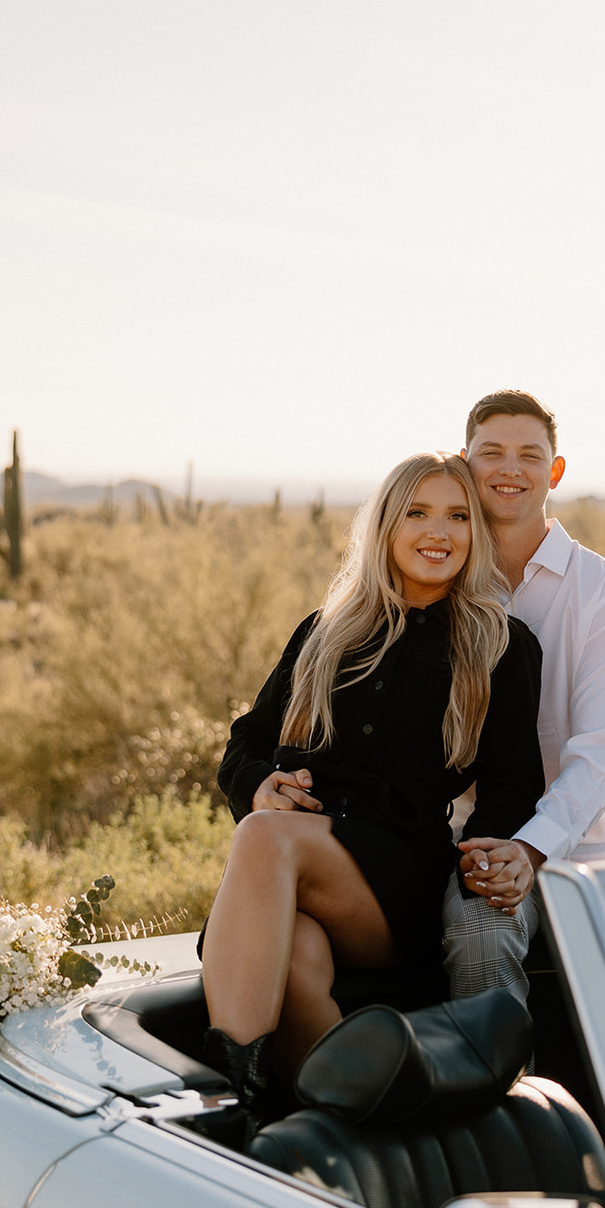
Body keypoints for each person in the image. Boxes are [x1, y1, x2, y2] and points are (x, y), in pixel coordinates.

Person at [200, 450, 544, 1127]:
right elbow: (244, 744)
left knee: (263, 837)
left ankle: (220, 1097)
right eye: (416, 513)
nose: (436, 532)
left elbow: (512, 783)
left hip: (401, 882)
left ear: (475, 532)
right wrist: (261, 783)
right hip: (303, 863)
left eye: (456, 516)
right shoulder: (325, 631)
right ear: (385, 527)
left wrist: (494, 859)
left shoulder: (499, 643)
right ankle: (320, 1126)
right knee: (294, 945)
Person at [442, 390, 605, 1003]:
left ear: (554, 471)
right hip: (469, 837)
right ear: (466, 464)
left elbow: (601, 752)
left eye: (529, 455)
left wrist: (533, 847)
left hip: (590, 836)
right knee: (480, 939)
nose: (510, 469)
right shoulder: (437, 581)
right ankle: (513, 1099)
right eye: (492, 453)